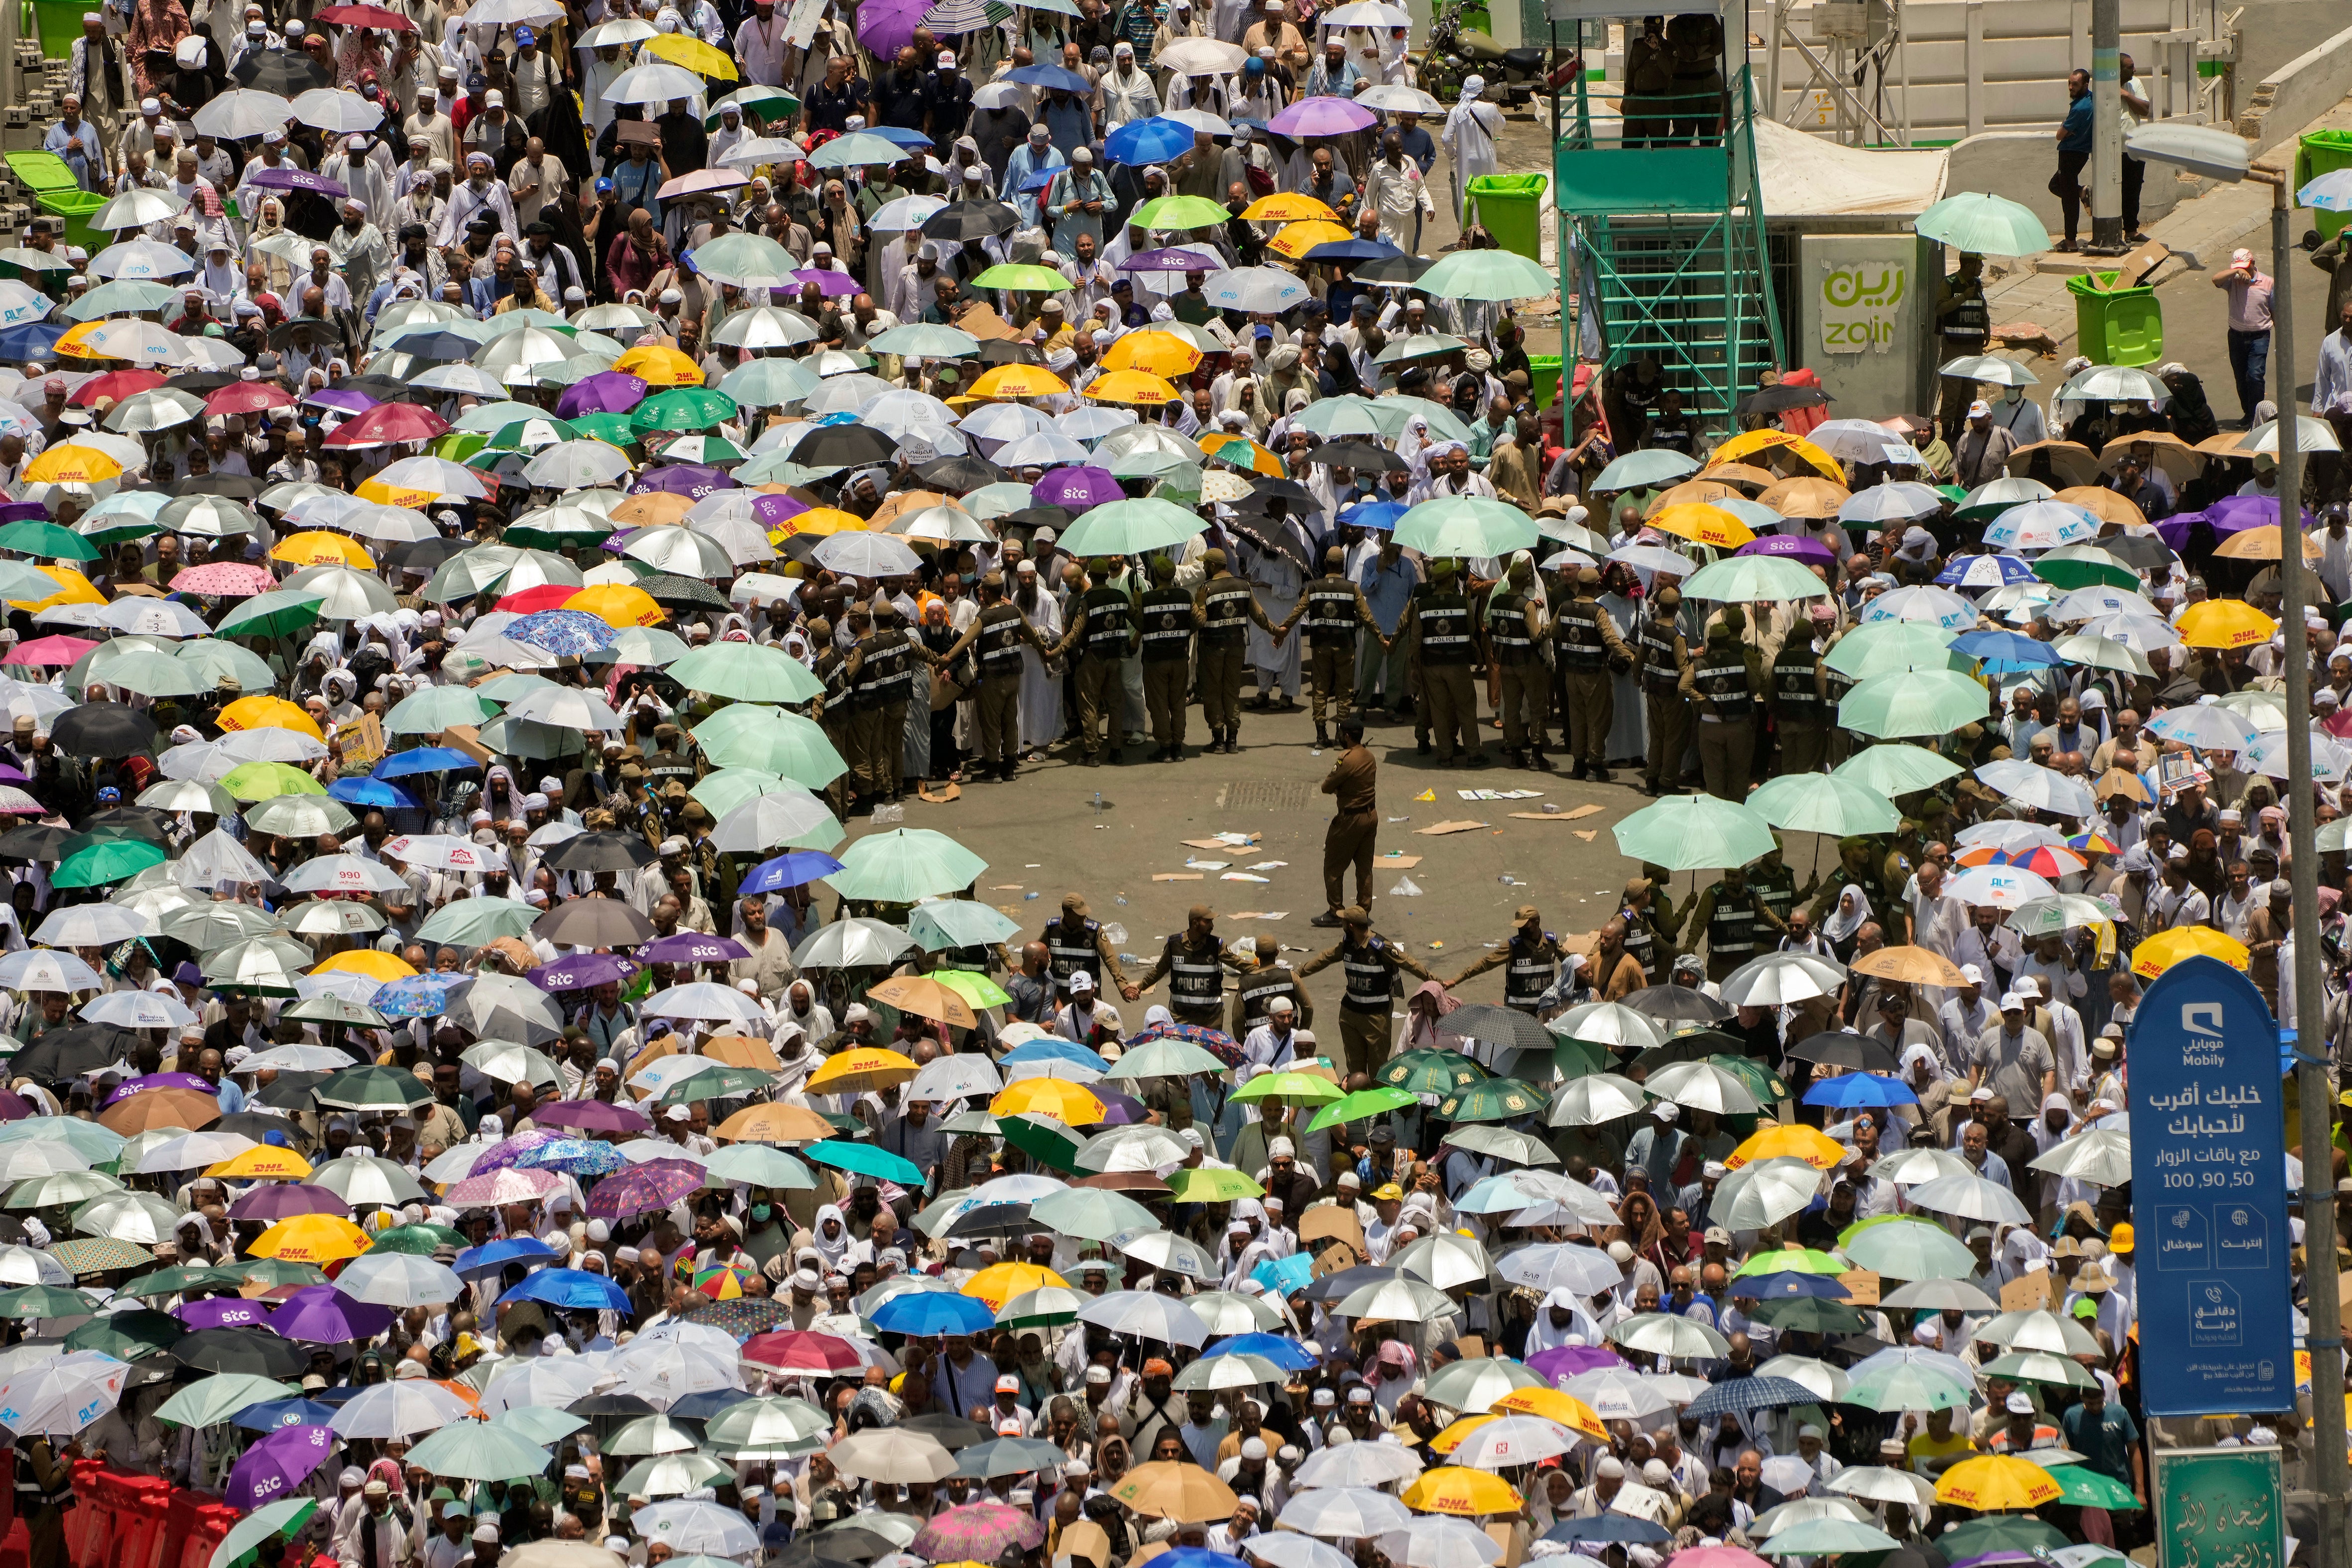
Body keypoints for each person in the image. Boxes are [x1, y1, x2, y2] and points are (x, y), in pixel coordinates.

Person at [1295, 905, 1432, 1078]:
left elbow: (1409, 963)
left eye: (1344, 921)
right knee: (1355, 1072)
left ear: (1350, 925)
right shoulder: (1347, 944)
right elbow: (1324, 958)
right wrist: (1297, 973)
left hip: (1376, 1018)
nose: (1342, 923)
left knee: (1378, 1072)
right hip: (1350, 1016)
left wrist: (1435, 980)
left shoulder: (1381, 947)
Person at [1315, 717, 1378, 929]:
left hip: (1351, 818)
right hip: (1370, 816)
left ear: (1348, 736)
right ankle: (1363, 911)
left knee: (1333, 866)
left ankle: (1335, 912)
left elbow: (1326, 786)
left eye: (1342, 734)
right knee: (1364, 868)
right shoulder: (1370, 757)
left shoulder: (1347, 759)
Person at [2212, 246, 2274, 428]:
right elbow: (2215, 279)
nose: (2243, 271)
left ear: (2253, 264)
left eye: (2246, 267)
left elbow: (2275, 311)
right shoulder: (2233, 281)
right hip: (2236, 336)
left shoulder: (2268, 283)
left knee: (2255, 376)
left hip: (2259, 336)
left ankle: (2257, 414)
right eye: (2240, 268)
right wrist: (2236, 271)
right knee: (2241, 378)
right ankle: (2249, 413)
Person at [2050, 68, 2092, 252]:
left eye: (2075, 84)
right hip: (2080, 153)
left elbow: (2059, 135)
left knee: (2068, 198)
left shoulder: (2080, 108)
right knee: (2056, 186)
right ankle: (2081, 193)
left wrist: (2064, 129)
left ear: (2085, 84)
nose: (2070, 87)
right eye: (2069, 83)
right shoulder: (2090, 100)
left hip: (2070, 153)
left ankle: (2070, 241)